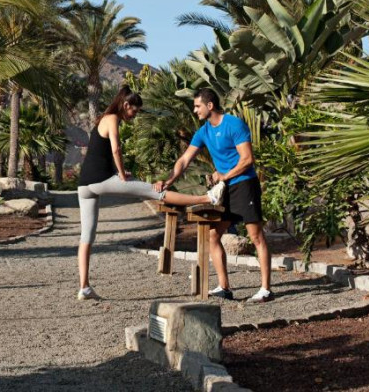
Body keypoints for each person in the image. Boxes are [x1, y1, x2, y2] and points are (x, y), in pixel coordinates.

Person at [76, 85, 225, 301]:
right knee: (155, 191)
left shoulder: (101, 120)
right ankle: (207, 197)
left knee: (86, 237)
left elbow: (99, 155)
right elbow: (116, 149)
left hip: (84, 185)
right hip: (101, 181)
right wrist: (122, 175)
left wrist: (118, 172)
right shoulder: (113, 118)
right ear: (125, 105)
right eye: (134, 111)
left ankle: (84, 287)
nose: (134, 115)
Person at [154, 88, 273, 303]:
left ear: (210, 105)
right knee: (213, 236)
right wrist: (169, 180)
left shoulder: (234, 124)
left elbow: (247, 159)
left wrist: (224, 175)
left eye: (197, 106)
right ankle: (224, 287)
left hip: (244, 185)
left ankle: (266, 289)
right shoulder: (203, 132)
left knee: (255, 236)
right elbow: (184, 160)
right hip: (225, 189)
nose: (195, 110)